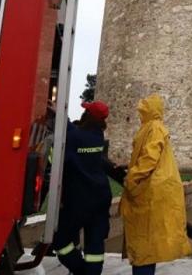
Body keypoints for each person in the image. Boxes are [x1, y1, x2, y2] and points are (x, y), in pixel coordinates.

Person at [119, 94, 191, 275]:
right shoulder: (151, 127)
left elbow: (150, 158)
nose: (139, 113)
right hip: (149, 192)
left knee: (145, 245)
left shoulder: (154, 128)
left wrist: (132, 177)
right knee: (145, 245)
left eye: (143, 110)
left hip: (149, 193)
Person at [53, 101, 116, 275]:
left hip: (80, 199)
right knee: (95, 246)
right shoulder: (97, 136)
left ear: (87, 116)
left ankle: (80, 271)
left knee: (60, 241)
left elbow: (70, 137)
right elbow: (76, 133)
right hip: (100, 198)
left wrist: (57, 114)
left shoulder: (76, 138)